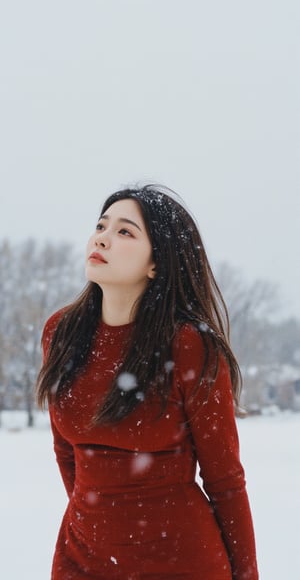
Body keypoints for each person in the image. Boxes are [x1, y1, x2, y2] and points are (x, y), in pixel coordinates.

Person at [36, 184, 259, 580]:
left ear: (156, 263)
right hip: (81, 560)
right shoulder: (61, 333)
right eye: (101, 225)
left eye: (125, 231)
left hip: (180, 563)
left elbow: (225, 480)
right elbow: (66, 452)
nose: (102, 236)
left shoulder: (189, 345)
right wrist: (104, 523)